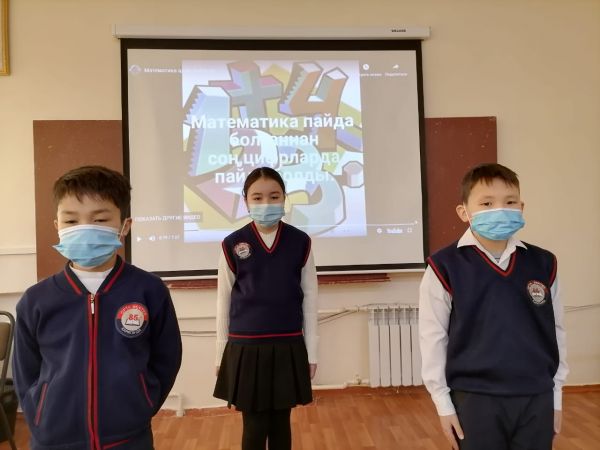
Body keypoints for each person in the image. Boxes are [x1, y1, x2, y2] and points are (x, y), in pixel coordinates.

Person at [13, 165, 182, 450]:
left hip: (129, 439)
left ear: (124, 226)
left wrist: (143, 402)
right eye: (71, 220)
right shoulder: (36, 300)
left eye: (100, 219)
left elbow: (166, 358)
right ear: (57, 226)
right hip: (53, 441)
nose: (84, 229)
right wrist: (40, 413)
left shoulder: (149, 290)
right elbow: (25, 372)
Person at [419, 163, 568, 450]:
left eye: (510, 202)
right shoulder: (443, 266)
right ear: (464, 211)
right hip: (475, 399)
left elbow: (557, 330)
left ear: (521, 207)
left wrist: (556, 396)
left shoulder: (544, 263)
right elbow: (433, 338)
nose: (500, 209)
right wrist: (443, 404)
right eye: (486, 203)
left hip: (537, 396)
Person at [213, 166, 318, 450]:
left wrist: (312, 352)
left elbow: (310, 299)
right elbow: (223, 300)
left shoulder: (300, 242)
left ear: (284, 198)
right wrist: (221, 354)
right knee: (255, 426)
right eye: (257, 197)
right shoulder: (232, 244)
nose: (266, 203)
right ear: (246, 201)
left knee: (281, 424)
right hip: (245, 348)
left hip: (287, 345)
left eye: (274, 196)